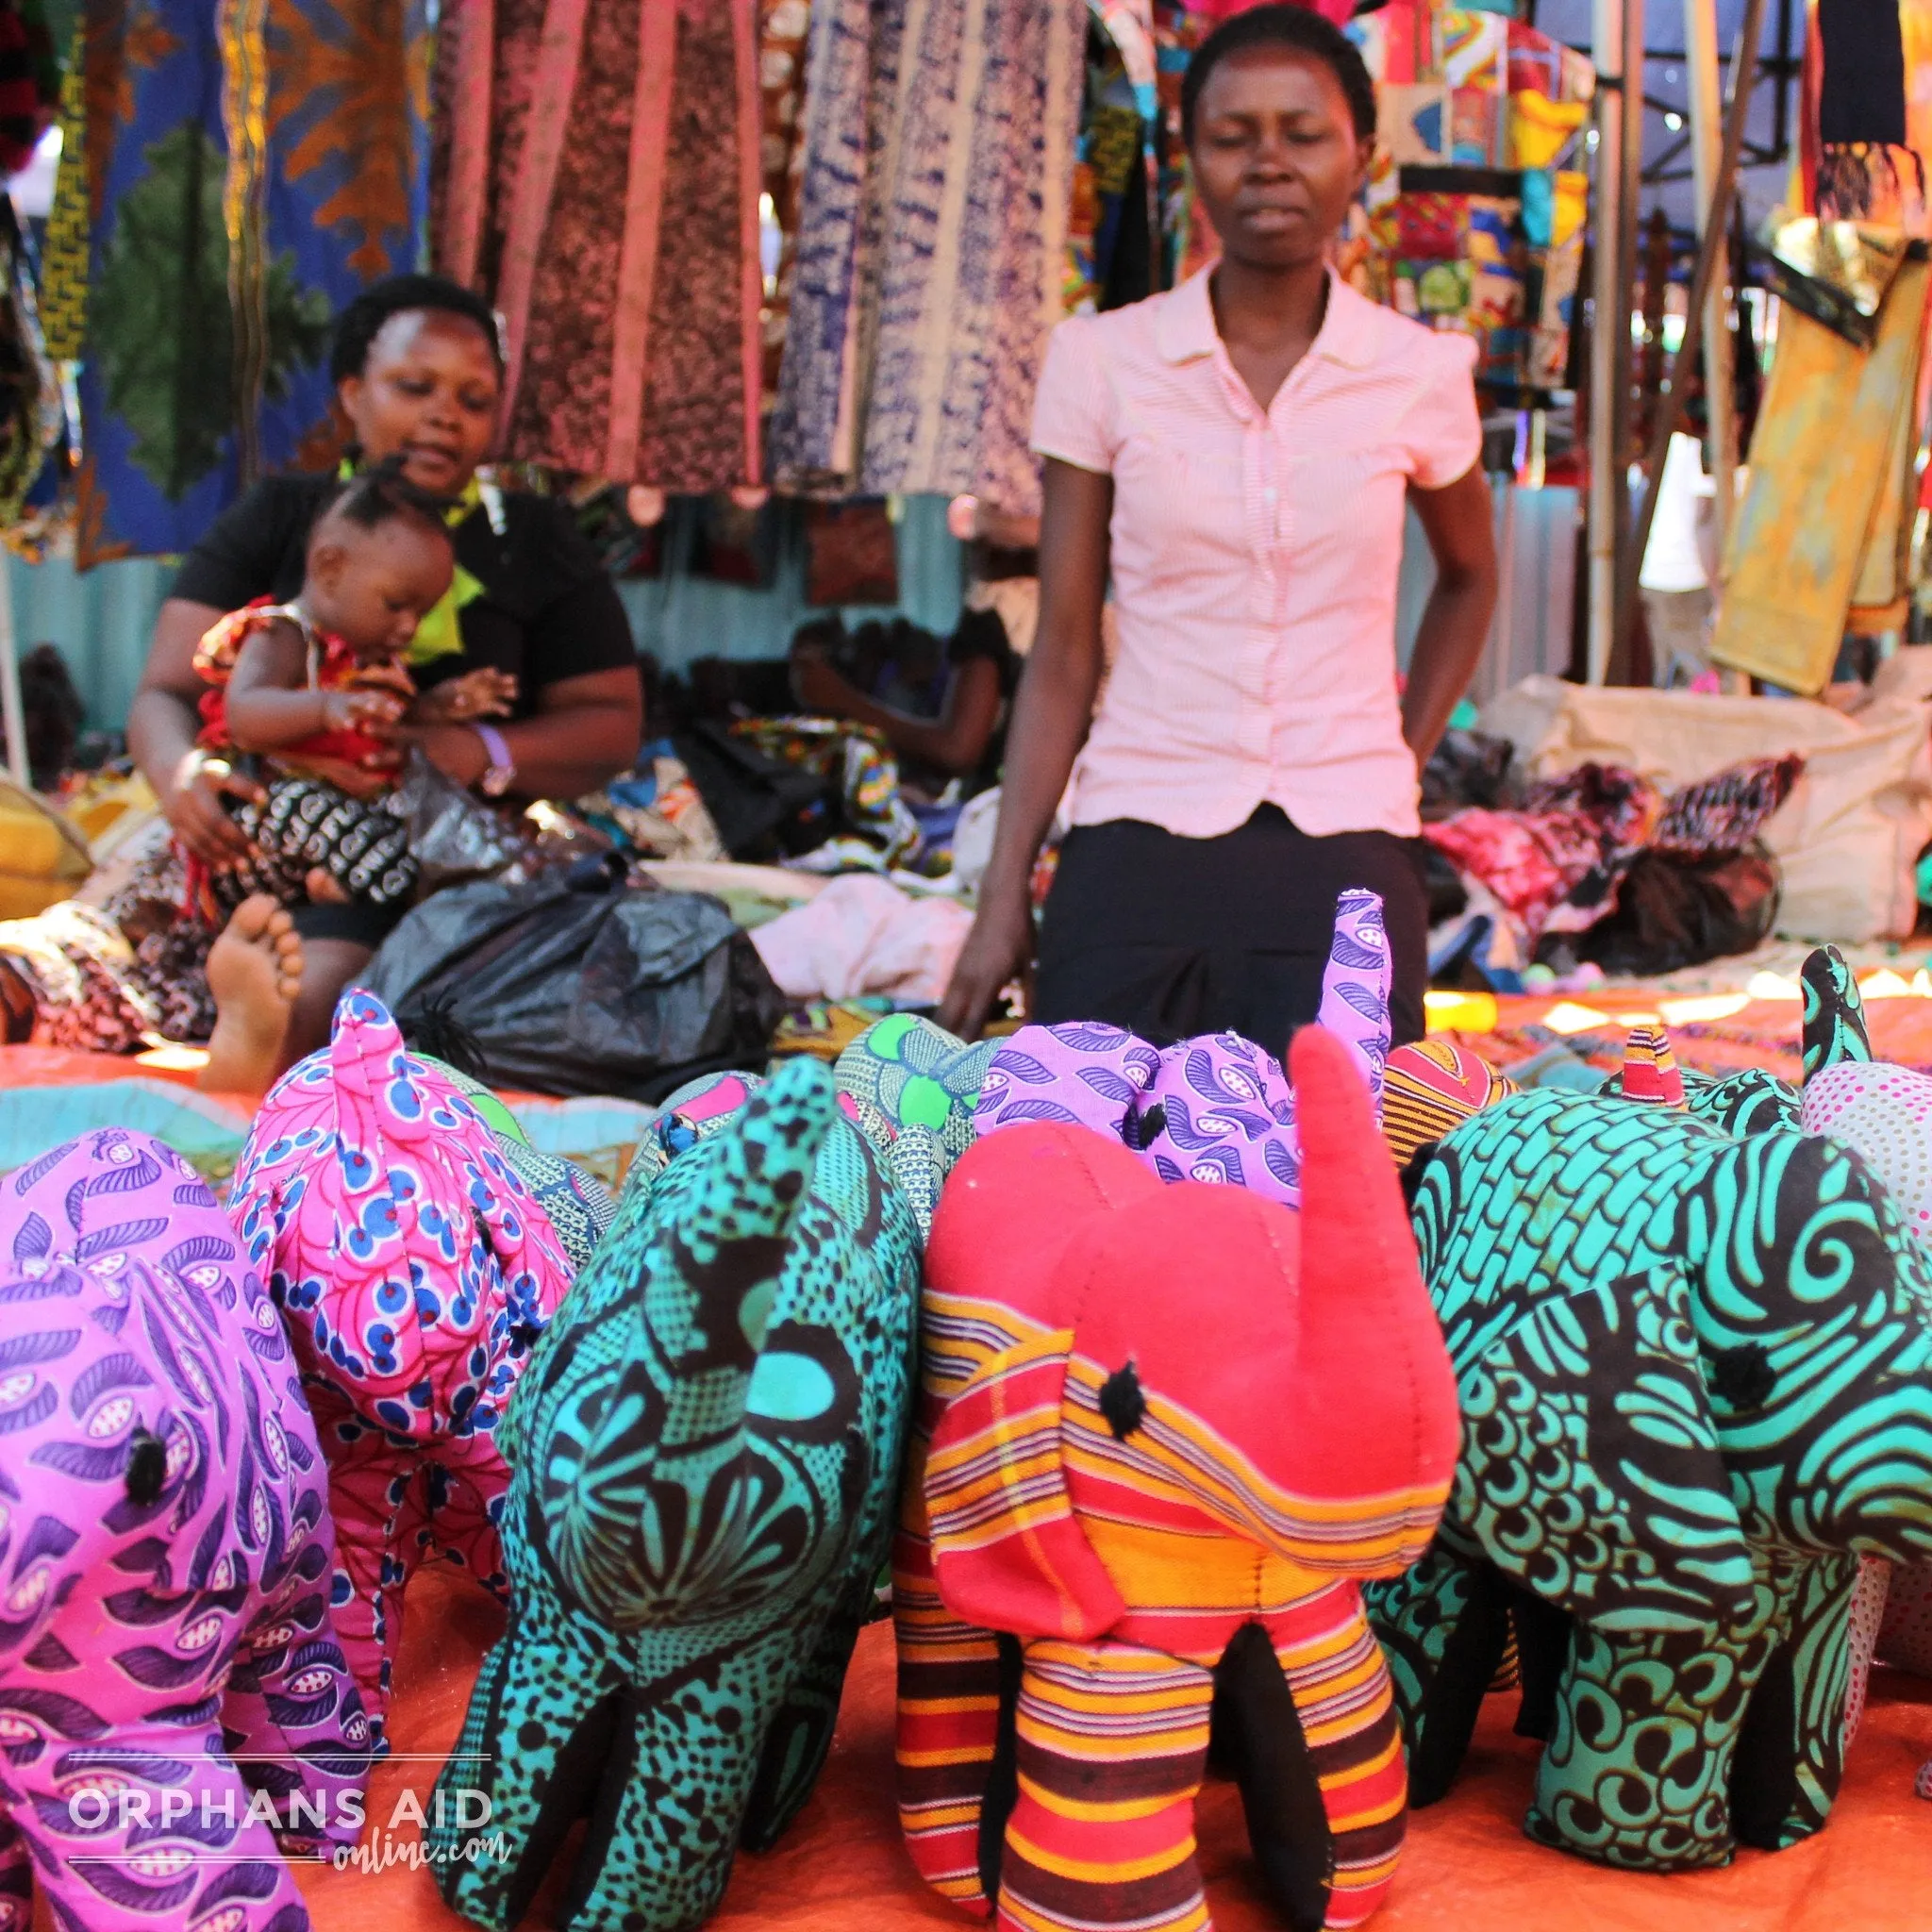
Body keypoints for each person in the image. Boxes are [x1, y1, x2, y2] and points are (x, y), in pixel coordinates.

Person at [937, 5, 1498, 1048]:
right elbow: (1061, 645)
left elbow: (1470, 578)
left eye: (1302, 133)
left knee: (1336, 1166)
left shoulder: (1418, 372)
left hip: (1348, 840)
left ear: (1359, 155)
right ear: (1188, 157)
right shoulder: (1102, 361)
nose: (1268, 164)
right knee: (1088, 1154)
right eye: (1232, 137)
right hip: (1135, 828)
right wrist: (1001, 892)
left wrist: (1398, 751)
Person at [125, 272, 643, 1069]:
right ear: (352, 394)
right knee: (99, 942)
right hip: (248, 825)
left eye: (475, 400)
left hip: (421, 855)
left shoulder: (534, 536)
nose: (446, 415)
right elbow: (166, 689)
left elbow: (611, 722)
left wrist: (477, 751)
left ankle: (266, 1032)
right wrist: (182, 772)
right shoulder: (282, 517)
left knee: (350, 977)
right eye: (415, 387)